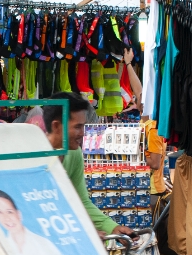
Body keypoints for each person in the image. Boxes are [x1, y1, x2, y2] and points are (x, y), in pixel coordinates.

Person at [43, 92, 135, 238]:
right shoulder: (33, 157)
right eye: (78, 127)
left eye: (84, 126)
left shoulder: (73, 153)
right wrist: (82, 233)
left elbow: (81, 200)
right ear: (56, 126)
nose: (83, 133)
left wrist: (112, 227)